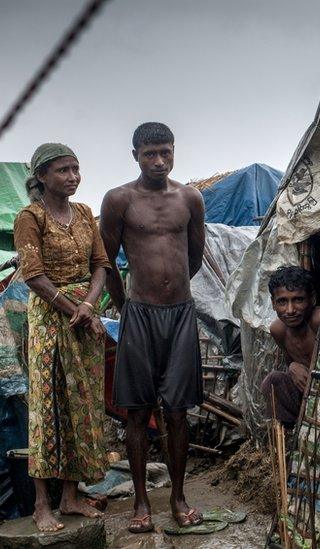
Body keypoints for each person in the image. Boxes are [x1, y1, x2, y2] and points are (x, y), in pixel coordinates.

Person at [99, 122, 206, 533]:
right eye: (150, 154)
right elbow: (106, 261)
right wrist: (127, 307)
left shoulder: (190, 198)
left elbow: (194, 256)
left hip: (180, 313)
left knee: (178, 411)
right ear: (135, 156)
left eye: (165, 151)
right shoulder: (119, 200)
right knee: (138, 412)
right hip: (138, 315)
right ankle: (141, 503)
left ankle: (178, 498)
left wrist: (172, 293)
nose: (158, 161)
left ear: (175, 151)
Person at [13, 143, 111, 533]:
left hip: (84, 315)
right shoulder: (29, 217)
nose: (72, 177)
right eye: (63, 171)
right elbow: (33, 275)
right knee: (48, 406)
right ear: (41, 176)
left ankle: (71, 496)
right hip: (51, 320)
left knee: (81, 403)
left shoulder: (86, 214)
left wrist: (89, 304)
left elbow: (100, 264)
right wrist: (76, 311)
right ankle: (42, 504)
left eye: (76, 169)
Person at [261, 266, 320, 428]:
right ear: (273, 304)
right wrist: (293, 366)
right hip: (306, 394)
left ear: (313, 299)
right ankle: (291, 431)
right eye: (282, 301)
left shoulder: (318, 321)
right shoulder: (278, 330)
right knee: (272, 381)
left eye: (298, 300)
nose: (290, 310)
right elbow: (291, 362)